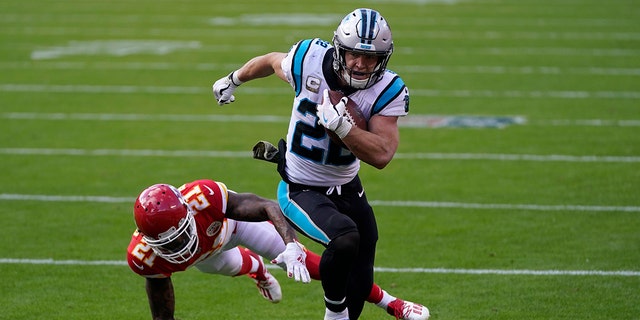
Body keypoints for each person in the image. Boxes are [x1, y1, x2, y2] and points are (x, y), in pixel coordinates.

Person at [212, 7, 428, 320]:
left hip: (347, 186)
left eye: (371, 58)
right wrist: (234, 79)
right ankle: (334, 314)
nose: (361, 64)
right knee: (344, 239)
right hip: (300, 188)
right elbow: (272, 62)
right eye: (354, 54)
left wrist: (344, 128)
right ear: (339, 48)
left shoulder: (388, 89)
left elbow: (381, 154)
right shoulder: (309, 58)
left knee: (361, 276)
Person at [127, 179, 427, 320]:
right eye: (167, 243)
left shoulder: (203, 197)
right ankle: (256, 269)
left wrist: (291, 244)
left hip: (233, 228)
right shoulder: (145, 258)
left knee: (321, 268)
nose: (178, 246)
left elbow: (268, 207)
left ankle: (391, 303)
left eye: (179, 235)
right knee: (234, 266)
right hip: (207, 256)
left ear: (188, 214)